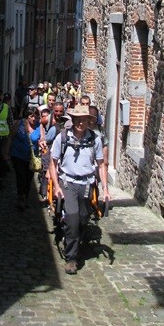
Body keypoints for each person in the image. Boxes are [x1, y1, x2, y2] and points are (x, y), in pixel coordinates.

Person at [48, 104, 110, 275]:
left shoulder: (94, 140)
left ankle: (72, 239)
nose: (80, 123)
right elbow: (53, 163)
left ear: (88, 121)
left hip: (87, 184)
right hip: (68, 182)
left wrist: (105, 189)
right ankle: (71, 259)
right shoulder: (62, 138)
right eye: (77, 120)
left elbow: (101, 165)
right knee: (73, 218)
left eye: (84, 120)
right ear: (73, 120)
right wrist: (56, 186)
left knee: (83, 218)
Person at [8, 107, 43, 210]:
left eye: (36, 117)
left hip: (31, 158)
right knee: (20, 176)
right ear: (27, 116)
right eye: (31, 116)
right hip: (17, 155)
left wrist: (42, 144)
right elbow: (10, 137)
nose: (34, 119)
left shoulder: (39, 126)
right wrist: (6, 153)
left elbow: (42, 138)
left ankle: (24, 198)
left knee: (28, 179)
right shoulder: (19, 124)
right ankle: (21, 196)